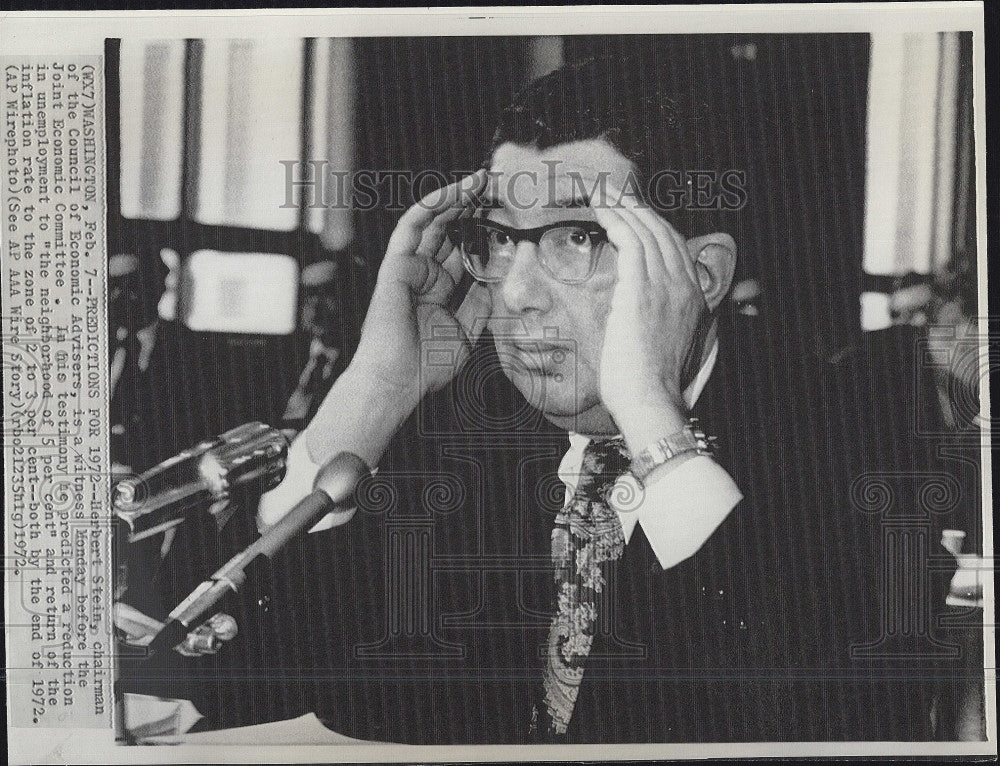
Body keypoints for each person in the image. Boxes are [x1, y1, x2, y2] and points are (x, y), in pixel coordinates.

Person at [247, 56, 972, 744]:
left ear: (702, 276)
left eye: (580, 238)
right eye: (499, 239)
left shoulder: (852, 431)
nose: (519, 295)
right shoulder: (465, 425)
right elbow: (250, 684)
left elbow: (839, 726)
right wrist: (374, 394)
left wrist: (653, 422)